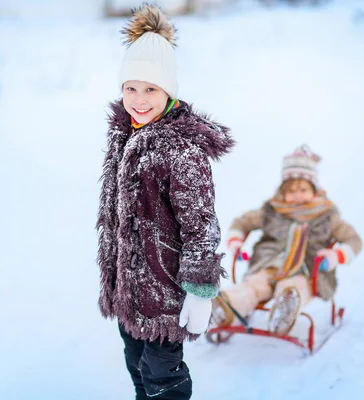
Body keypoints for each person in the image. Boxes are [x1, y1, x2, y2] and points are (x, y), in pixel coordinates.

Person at [96, 5, 235, 399]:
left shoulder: (181, 149)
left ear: (169, 91)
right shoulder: (126, 134)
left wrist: (201, 290)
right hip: (129, 287)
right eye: (131, 88)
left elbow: (200, 225)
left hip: (167, 290)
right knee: (136, 366)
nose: (139, 100)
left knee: (163, 378)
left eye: (151, 89)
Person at [212, 144, 362, 335]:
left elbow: (353, 240)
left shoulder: (326, 216)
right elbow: (242, 222)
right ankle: (226, 306)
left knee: (294, 287)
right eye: (290, 191)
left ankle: (285, 309)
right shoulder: (272, 211)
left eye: (303, 189)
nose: (297, 196)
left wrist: (336, 256)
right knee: (254, 285)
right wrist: (235, 240)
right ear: (282, 192)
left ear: (314, 190)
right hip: (268, 265)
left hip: (306, 271)